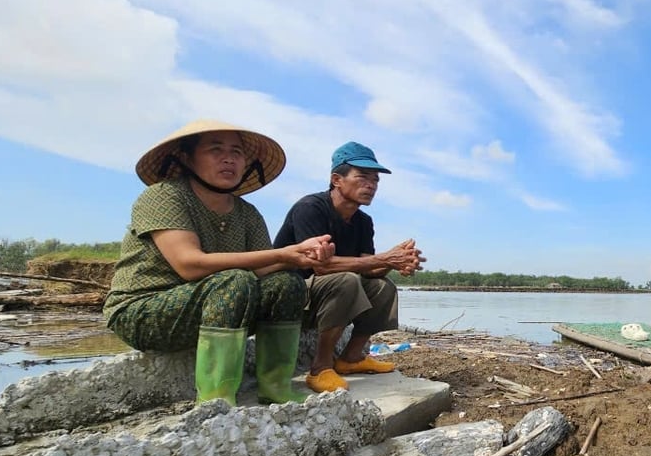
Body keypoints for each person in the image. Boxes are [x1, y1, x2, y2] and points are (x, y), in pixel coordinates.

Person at [103, 120, 335, 406]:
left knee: (286, 282)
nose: (229, 158)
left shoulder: (247, 214)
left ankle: (275, 386)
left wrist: (301, 258)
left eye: (236, 152)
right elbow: (189, 264)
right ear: (187, 158)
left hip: (216, 305)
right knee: (235, 280)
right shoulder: (163, 196)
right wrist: (282, 253)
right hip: (144, 310)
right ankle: (216, 399)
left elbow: (263, 270)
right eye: (216, 150)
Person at [274, 141, 426, 393]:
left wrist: (397, 263)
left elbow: (368, 267)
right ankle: (320, 368)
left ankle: (351, 358)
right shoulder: (310, 209)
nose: (371, 185)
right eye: (363, 177)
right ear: (337, 179)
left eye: (376, 180)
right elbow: (321, 267)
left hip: (325, 294)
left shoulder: (363, 221)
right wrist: (385, 258)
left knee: (382, 287)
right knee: (346, 280)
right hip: (291, 293)